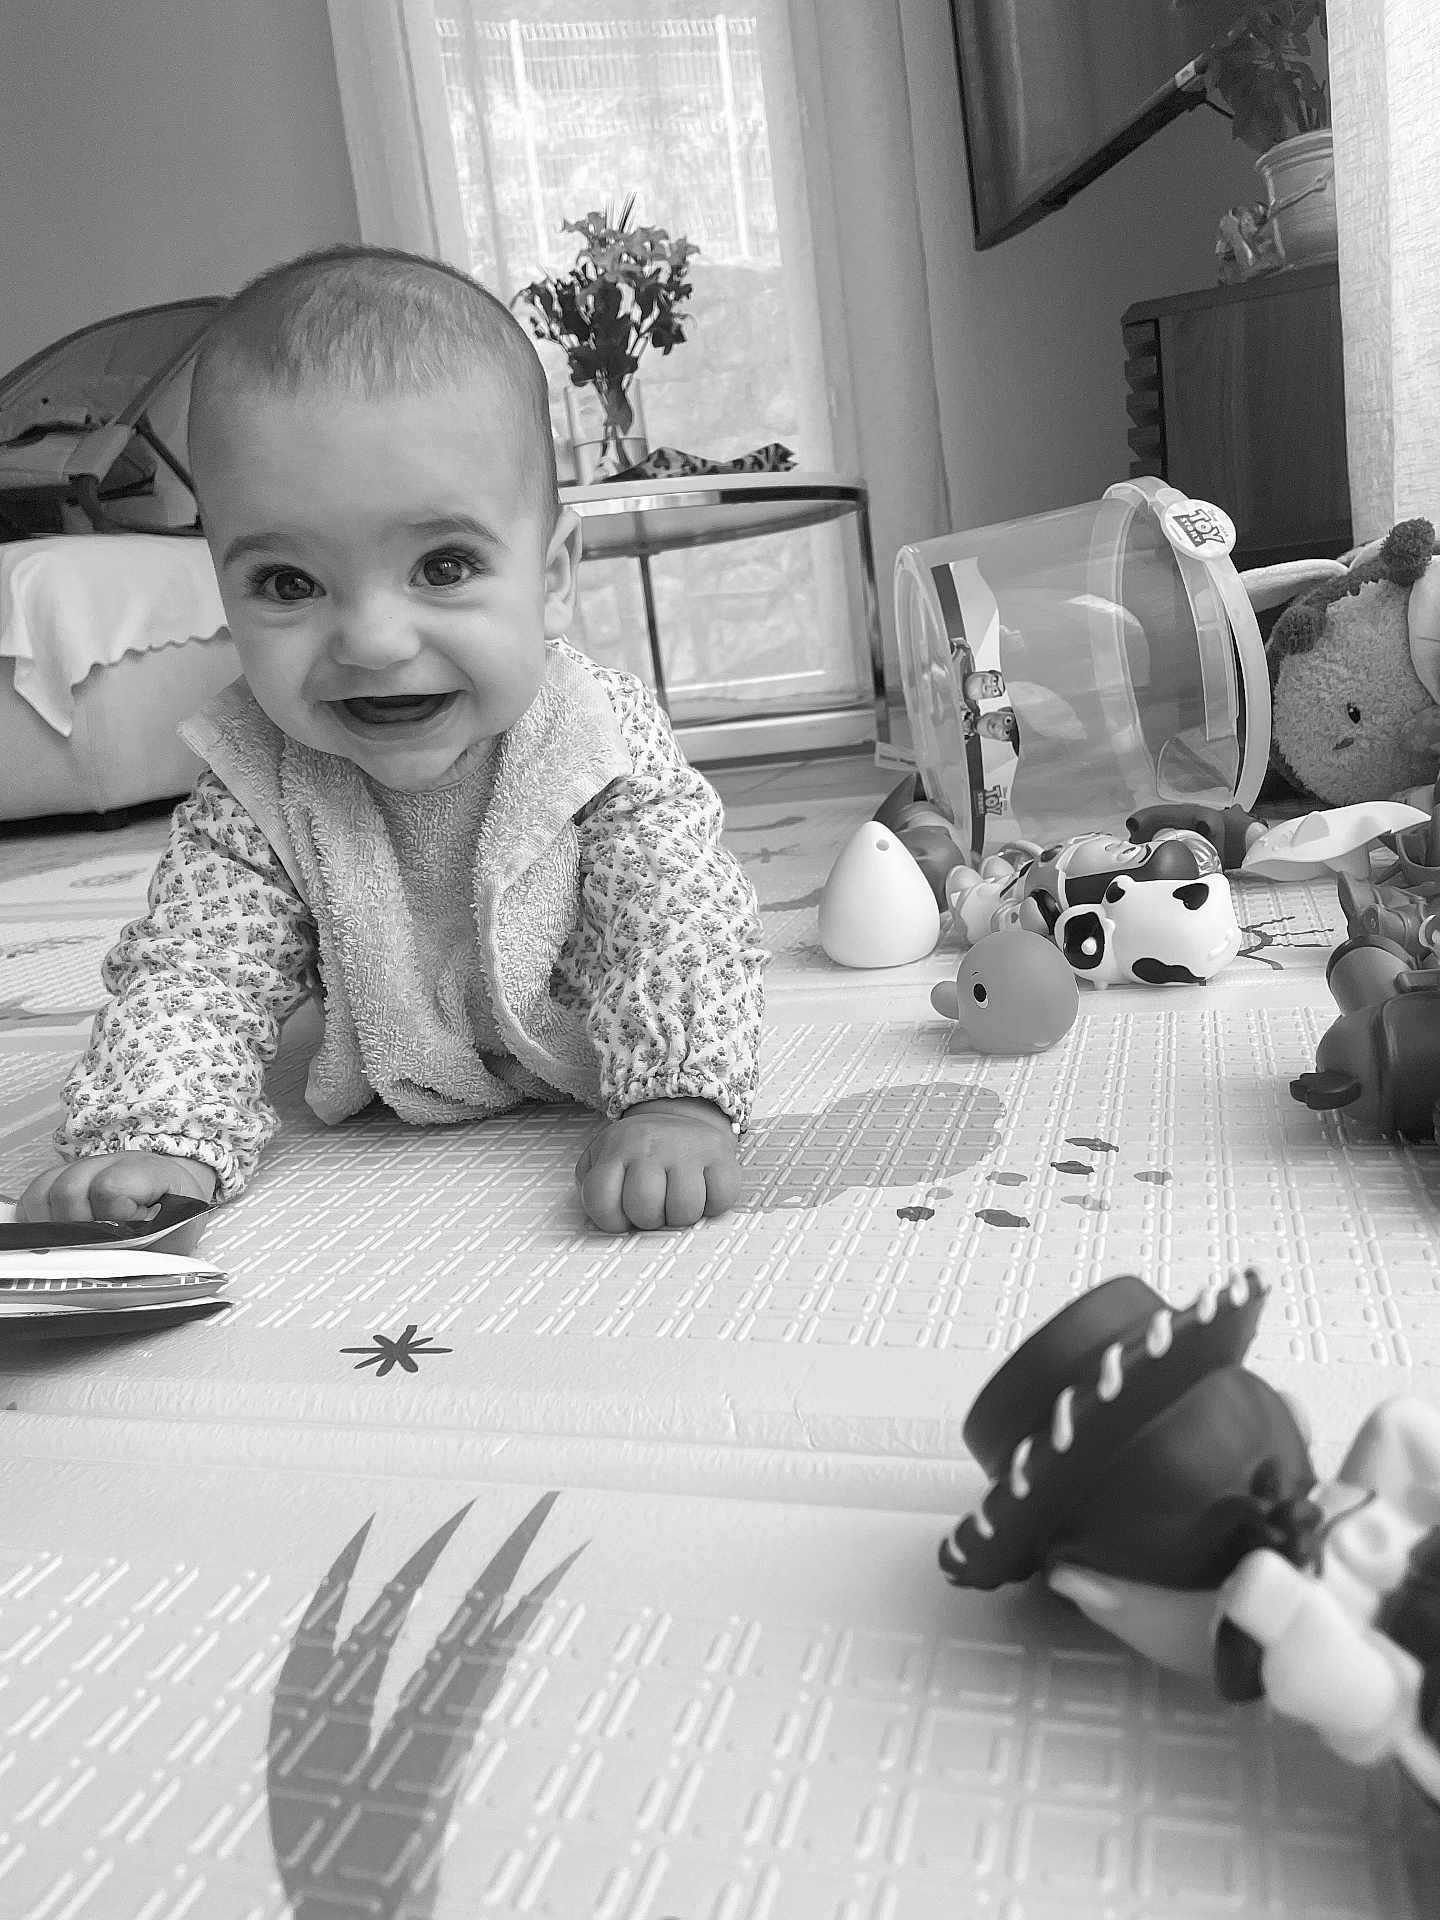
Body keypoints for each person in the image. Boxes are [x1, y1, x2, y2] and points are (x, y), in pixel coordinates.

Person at [18, 245, 766, 1235]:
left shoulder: (594, 742)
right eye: (289, 583)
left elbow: (675, 920)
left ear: (550, 576)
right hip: (387, 1061)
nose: (373, 641)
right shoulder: (257, 779)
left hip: (582, 1042)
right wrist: (153, 1130)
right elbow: (197, 967)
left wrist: (676, 1096)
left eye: (444, 565)